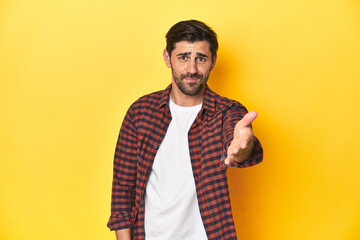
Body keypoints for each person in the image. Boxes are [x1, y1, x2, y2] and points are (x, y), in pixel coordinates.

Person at [107, 19, 263, 240]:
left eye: (201, 58)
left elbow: (240, 141)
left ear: (213, 61)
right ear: (167, 58)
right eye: (183, 57)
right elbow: (123, 189)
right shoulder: (140, 113)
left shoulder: (226, 111)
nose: (192, 69)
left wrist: (242, 145)